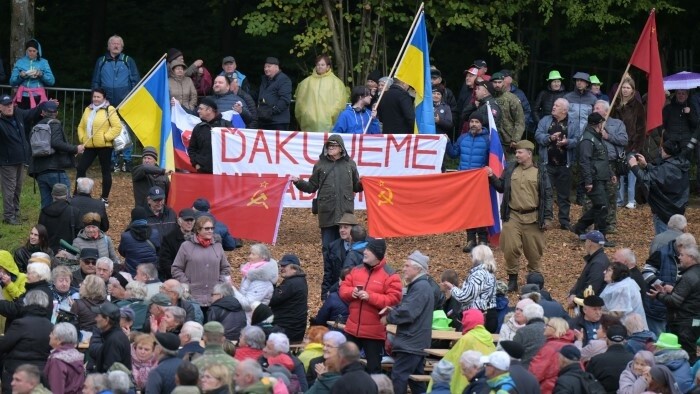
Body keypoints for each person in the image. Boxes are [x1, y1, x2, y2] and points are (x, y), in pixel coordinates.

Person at [291, 135, 362, 278]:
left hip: (345, 214)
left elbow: (356, 186)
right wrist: (298, 182)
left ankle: (347, 274)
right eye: (329, 146)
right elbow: (311, 187)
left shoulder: (350, 164)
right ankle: (329, 275)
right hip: (327, 213)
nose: (330, 148)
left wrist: (365, 183)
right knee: (328, 247)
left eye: (334, 146)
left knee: (347, 245)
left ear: (341, 148)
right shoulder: (320, 165)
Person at [487, 140, 553, 292]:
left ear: (529, 154)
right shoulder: (510, 169)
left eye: (519, 152)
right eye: (516, 152)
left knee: (534, 252)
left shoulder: (540, 171)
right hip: (513, 216)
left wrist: (547, 217)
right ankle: (512, 280)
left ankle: (534, 280)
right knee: (509, 249)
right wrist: (491, 176)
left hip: (533, 218)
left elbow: (547, 195)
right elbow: (501, 187)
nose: (516, 155)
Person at [338, 238, 402, 374]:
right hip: (352, 329)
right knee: (346, 366)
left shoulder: (391, 276)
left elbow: (393, 299)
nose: (364, 252)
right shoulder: (356, 270)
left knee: (374, 369)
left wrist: (370, 297)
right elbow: (343, 289)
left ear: (377, 254)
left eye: (368, 250)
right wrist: (351, 292)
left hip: (374, 334)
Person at [381, 250, 434, 394]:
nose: (403, 269)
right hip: (415, 342)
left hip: (410, 343)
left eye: (407, 266)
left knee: (398, 377)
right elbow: (410, 308)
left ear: (417, 269)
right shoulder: (420, 286)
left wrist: (388, 317)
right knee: (415, 381)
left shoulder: (420, 287)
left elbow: (408, 312)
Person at [0, 95, 51, 224]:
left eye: (10, 104)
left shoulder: (18, 113)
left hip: (21, 159)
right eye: (6, 105)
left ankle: (15, 213)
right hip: (7, 162)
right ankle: (9, 216)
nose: (9, 107)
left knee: (18, 187)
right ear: (0, 107)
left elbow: (32, 112)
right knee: (9, 189)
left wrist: (45, 104)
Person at [446, 112, 490, 251]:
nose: (474, 124)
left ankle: (483, 239)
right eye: (472, 122)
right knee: (468, 210)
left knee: (480, 210)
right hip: (464, 180)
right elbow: (454, 154)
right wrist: (447, 142)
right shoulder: (462, 138)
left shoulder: (488, 140)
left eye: (477, 122)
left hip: (480, 181)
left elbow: (492, 160)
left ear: (481, 124)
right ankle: (470, 240)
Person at [535, 97, 580, 231]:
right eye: (554, 104)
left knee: (564, 195)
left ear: (565, 110)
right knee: (545, 192)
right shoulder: (545, 120)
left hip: (564, 164)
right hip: (547, 163)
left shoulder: (573, 122)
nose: (553, 107)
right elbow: (538, 135)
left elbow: (577, 140)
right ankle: (545, 219)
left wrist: (567, 143)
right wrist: (550, 138)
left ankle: (564, 221)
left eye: (557, 106)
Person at [648, 246, 700, 363]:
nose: (679, 258)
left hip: (684, 324)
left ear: (691, 258)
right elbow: (691, 296)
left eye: (682, 255)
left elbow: (674, 302)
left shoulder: (688, 277)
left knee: (686, 356)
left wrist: (658, 295)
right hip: (695, 321)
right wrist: (673, 290)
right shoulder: (696, 273)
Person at [28, 101, 84, 208]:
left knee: (46, 204)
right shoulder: (55, 124)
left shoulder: (35, 127)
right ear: (56, 113)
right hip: (55, 170)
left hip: (40, 171)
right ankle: (65, 224)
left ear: (42, 113)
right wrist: (75, 148)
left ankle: (44, 224)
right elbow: (56, 143)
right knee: (65, 201)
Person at [629, 139, 689, 235]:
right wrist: (646, 165)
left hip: (663, 211)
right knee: (677, 240)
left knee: (664, 241)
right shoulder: (680, 163)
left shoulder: (666, 167)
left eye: (662, 149)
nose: (660, 151)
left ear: (666, 151)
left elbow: (646, 179)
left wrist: (634, 166)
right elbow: (661, 174)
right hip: (677, 208)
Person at [643, 233, 697, 336]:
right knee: (658, 340)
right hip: (657, 308)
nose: (691, 251)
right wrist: (663, 285)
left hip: (674, 310)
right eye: (689, 248)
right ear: (680, 246)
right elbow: (646, 272)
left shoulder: (688, 260)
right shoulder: (661, 253)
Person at [75, 88, 122, 205]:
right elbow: (81, 126)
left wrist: (105, 137)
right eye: (94, 97)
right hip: (89, 145)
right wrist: (82, 138)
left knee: (105, 171)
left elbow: (117, 127)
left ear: (104, 98)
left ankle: (104, 198)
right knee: (81, 168)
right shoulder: (88, 109)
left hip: (104, 146)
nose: (96, 99)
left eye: (98, 97)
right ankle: (78, 193)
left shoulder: (109, 109)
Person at [172, 216, 230, 310]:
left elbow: (225, 268)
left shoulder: (218, 246)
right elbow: (176, 268)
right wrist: (187, 284)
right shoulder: (186, 246)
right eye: (207, 228)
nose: (210, 231)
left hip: (214, 299)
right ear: (198, 230)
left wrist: (219, 284)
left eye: (212, 228)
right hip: (192, 298)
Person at [0, 290, 53, 393]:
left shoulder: (20, 324)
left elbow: (4, 346)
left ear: (27, 302)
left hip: (17, 372)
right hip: (40, 373)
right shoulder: (50, 326)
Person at [573, 112, 614, 241]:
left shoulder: (596, 137)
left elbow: (602, 159)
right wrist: (588, 181)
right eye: (602, 123)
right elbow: (585, 161)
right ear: (598, 124)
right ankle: (601, 237)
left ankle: (579, 227)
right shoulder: (587, 139)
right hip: (594, 179)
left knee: (600, 206)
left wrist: (610, 174)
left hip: (601, 177)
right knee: (602, 207)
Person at [441, 245, 498, 332]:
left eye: (472, 255)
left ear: (477, 257)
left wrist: (451, 287)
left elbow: (465, 297)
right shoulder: (490, 274)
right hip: (489, 315)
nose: (471, 258)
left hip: (479, 318)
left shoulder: (479, 274)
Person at [610, 78, 646, 210]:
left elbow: (641, 128)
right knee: (618, 172)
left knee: (631, 173)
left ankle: (631, 199)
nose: (625, 90)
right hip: (617, 143)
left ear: (633, 90)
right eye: (623, 87)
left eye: (628, 88)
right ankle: (619, 199)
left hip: (632, 144)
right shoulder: (615, 104)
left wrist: (637, 146)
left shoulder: (638, 106)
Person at [295, 54, 347, 132]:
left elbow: (340, 102)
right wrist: (305, 113)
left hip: (328, 122)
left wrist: (331, 114)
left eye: (322, 65)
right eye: (318, 64)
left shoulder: (336, 83)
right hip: (309, 122)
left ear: (328, 67)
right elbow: (300, 101)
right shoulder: (306, 82)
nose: (320, 66)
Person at [528, 317, 575, 394]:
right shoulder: (572, 346)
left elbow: (535, 372)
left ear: (555, 329)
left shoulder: (550, 347)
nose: (544, 327)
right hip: (566, 389)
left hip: (548, 389)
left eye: (547, 325)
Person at [269, 254, 309, 342]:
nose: (281, 268)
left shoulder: (292, 283)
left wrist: (272, 283)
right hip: (293, 329)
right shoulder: (299, 280)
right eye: (280, 265)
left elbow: (272, 299)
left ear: (294, 268)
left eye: (284, 266)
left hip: (287, 330)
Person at [188, 97, 232, 173]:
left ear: (209, 110)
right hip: (202, 171)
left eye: (201, 109)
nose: (198, 111)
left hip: (223, 171)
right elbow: (192, 149)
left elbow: (233, 147)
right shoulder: (198, 128)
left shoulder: (226, 126)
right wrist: (196, 164)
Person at [587, 324, 634, 393]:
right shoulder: (634, 360)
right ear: (624, 340)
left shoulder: (596, 360)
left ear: (607, 339)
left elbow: (587, 384)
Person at [9, 39, 55, 109]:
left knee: (38, 119)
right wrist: (21, 76)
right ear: (26, 51)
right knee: (23, 118)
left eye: (34, 51)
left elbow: (51, 81)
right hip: (22, 96)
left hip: (38, 97)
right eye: (29, 51)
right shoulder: (20, 62)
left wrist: (41, 74)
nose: (31, 53)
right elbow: (12, 82)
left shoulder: (43, 62)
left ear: (38, 51)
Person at [568, 230, 610, 304]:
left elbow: (592, 288)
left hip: (588, 305)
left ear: (589, 242)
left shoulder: (598, 263)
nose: (585, 244)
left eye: (586, 241)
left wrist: (575, 300)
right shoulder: (596, 258)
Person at [323, 213, 359, 299]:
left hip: (355, 292)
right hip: (336, 292)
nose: (342, 230)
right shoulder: (332, 246)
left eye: (346, 227)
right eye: (340, 227)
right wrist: (324, 295)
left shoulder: (363, 247)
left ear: (354, 229)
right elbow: (328, 273)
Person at [599, 262, 647, 326]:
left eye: (609, 270)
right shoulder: (621, 284)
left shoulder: (623, 288)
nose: (604, 272)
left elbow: (617, 313)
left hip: (629, 328)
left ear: (617, 273)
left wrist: (597, 312)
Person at [88, 302, 131, 373]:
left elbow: (110, 371)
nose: (95, 319)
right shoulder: (115, 336)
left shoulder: (113, 341)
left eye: (98, 316)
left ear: (106, 319)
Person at [38, 183, 82, 253]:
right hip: (69, 251)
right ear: (66, 195)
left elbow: (40, 232)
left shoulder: (44, 212)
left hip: (48, 251)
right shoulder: (74, 212)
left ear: (52, 195)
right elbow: (79, 233)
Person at [491, 71, 526, 156]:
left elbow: (520, 120)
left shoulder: (512, 98)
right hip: (492, 138)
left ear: (504, 82)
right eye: (495, 82)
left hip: (508, 141)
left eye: (499, 82)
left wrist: (515, 139)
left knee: (508, 166)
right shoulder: (489, 97)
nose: (497, 85)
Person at [118, 207, 160, 276]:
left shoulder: (126, 236)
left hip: (133, 273)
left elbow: (122, 252)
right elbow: (158, 250)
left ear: (132, 218)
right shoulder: (155, 233)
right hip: (151, 273)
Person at [158, 208, 195, 280]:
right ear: (179, 221)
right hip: (176, 279)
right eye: (186, 220)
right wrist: (178, 276)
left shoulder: (198, 237)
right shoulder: (169, 238)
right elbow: (165, 262)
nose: (189, 223)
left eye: (191, 220)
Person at [258, 56, 293, 130]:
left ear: (276, 67)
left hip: (278, 122)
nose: (266, 69)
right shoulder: (264, 80)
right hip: (264, 120)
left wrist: (271, 111)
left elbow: (285, 100)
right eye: (265, 67)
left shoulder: (284, 80)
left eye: (269, 66)